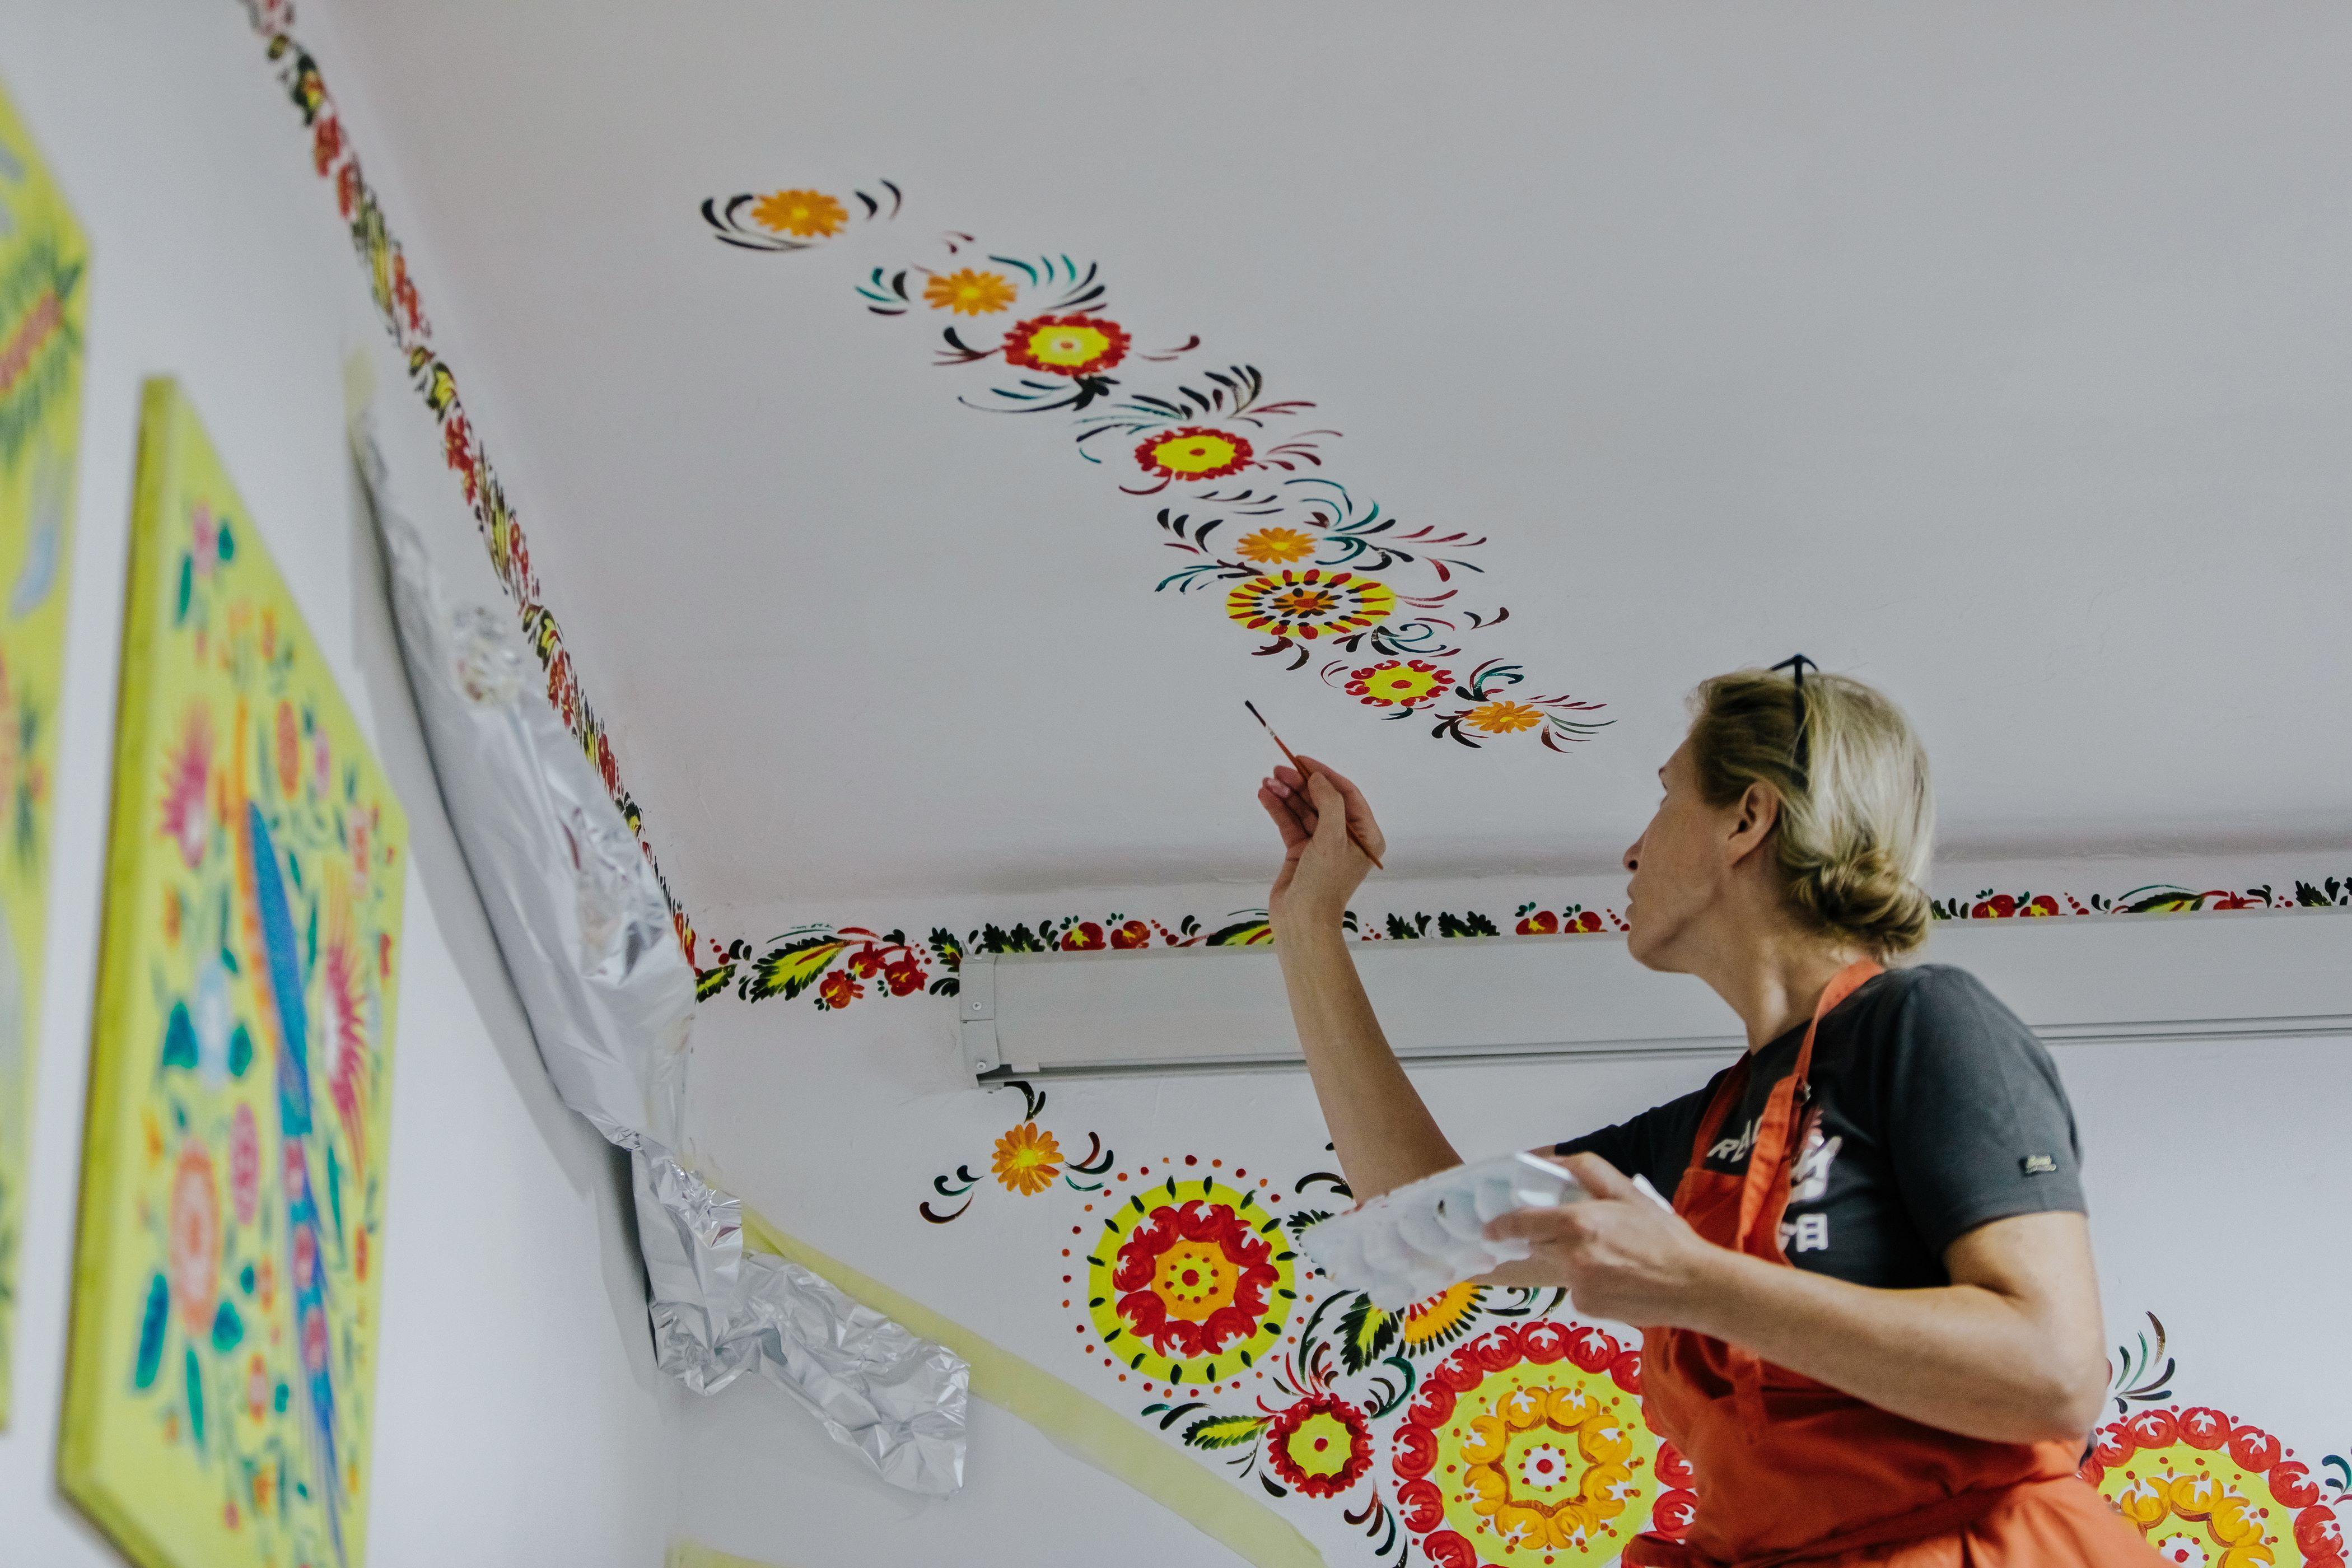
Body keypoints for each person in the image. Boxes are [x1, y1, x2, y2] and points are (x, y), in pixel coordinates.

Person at [1255, 662, 2160, 1567]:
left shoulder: (1922, 1028)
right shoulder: (1709, 1126)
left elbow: (2053, 1375)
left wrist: (1695, 1283)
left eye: (1663, 802)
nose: (1634, 851)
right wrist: (1307, 925)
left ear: (1746, 819)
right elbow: (1416, 1209)